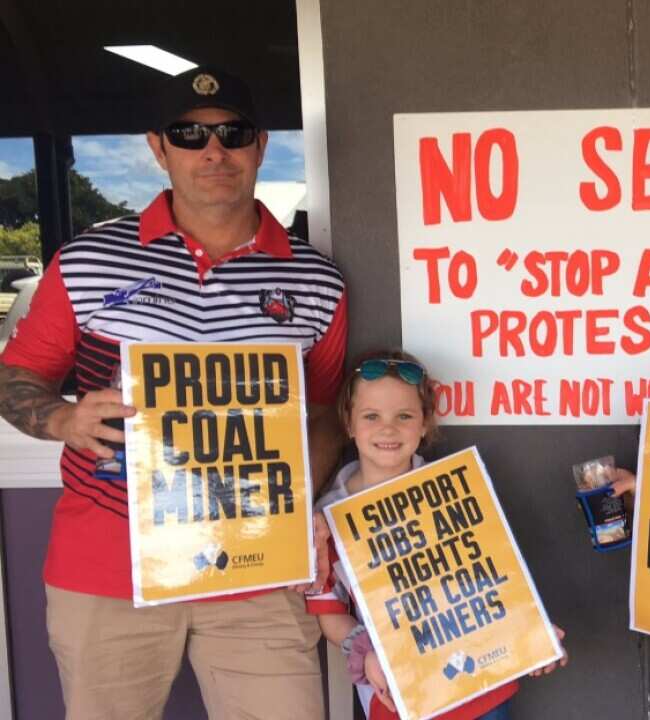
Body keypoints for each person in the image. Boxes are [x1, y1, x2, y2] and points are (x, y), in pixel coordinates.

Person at [0, 66, 347, 718]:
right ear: (159, 148)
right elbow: (16, 377)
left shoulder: (316, 279)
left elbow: (325, 416)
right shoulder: (87, 260)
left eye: (231, 133)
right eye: (190, 135)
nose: (213, 151)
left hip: (257, 568)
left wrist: (298, 503)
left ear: (260, 145)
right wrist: (61, 420)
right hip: (108, 567)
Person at [308, 350, 567, 719]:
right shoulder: (327, 517)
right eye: (371, 416)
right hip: (399, 699)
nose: (388, 429)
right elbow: (329, 614)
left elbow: (491, 580)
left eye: (404, 416)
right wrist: (366, 653)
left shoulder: (457, 491)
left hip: (482, 694)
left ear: (425, 423)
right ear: (348, 423)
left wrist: (531, 634)